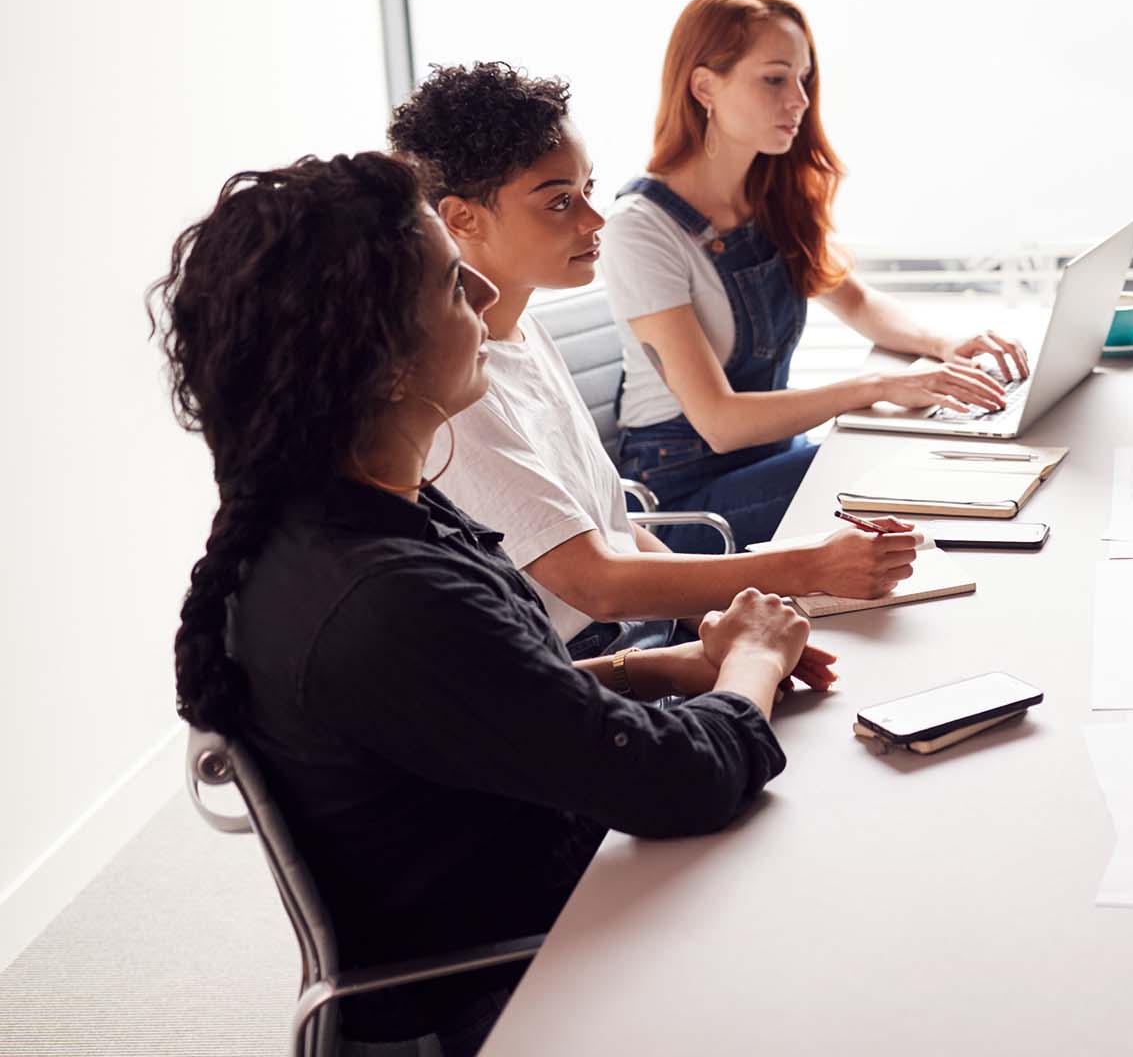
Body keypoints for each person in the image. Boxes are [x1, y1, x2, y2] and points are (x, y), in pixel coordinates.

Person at [154, 153, 834, 1053]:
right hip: (517, 981)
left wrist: (664, 667)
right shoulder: (383, 598)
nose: (481, 289)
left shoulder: (343, 514)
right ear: (382, 363)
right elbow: (677, 783)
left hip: (545, 896)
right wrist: (752, 659)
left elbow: (491, 693)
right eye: (448, 282)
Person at [388, 62, 920, 657]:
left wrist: (721, 620)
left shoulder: (525, 333)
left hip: (645, 636)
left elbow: (618, 529)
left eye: (588, 190)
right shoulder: (456, 389)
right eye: (560, 203)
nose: (595, 221)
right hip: (591, 667)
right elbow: (596, 585)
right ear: (462, 218)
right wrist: (807, 569)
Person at [602, 0, 1029, 547]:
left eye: (803, 79)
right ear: (705, 86)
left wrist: (945, 345)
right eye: (775, 79)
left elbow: (855, 301)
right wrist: (878, 385)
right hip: (686, 506)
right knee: (892, 463)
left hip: (772, 462)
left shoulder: (766, 193)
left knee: (920, 449)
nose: (799, 100)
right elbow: (720, 422)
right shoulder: (640, 228)